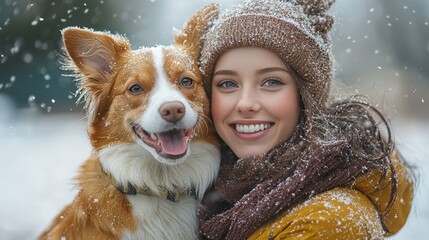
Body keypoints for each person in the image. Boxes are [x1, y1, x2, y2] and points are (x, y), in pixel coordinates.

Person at [197, 0, 414, 239]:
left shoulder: (328, 223)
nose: (246, 103)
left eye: (271, 82)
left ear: (305, 96)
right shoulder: (212, 190)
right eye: (227, 84)